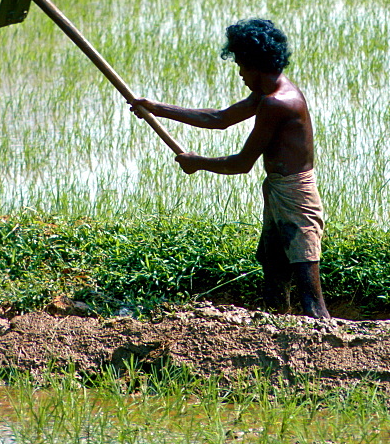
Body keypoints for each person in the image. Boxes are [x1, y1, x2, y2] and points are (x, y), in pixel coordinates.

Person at [130, 19, 330, 320]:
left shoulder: (278, 103)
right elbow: (220, 118)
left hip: (295, 194)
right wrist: (157, 108)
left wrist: (197, 162)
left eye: (240, 65)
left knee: (306, 279)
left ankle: (322, 336)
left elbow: (241, 164)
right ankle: (277, 325)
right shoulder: (267, 93)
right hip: (278, 188)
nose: (239, 73)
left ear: (254, 64)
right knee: (273, 263)